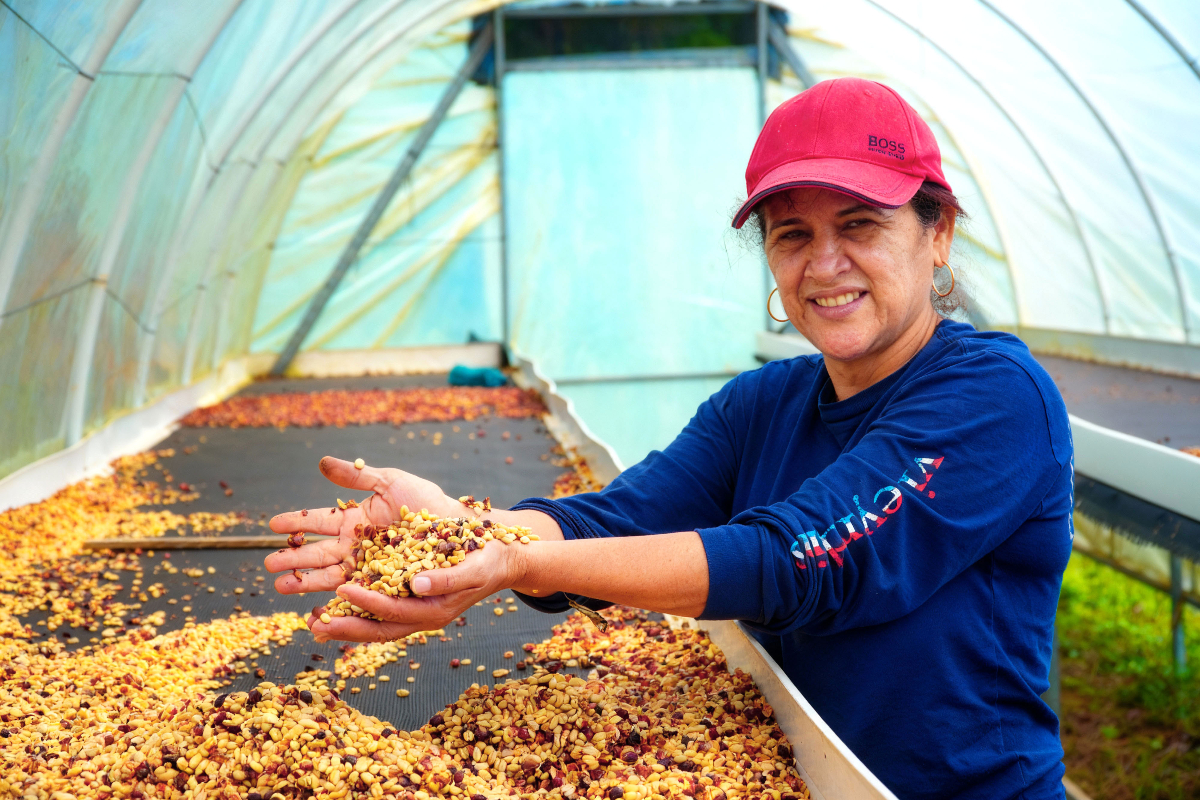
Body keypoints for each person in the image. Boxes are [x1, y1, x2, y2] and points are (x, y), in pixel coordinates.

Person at [265, 77, 1072, 800]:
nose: (824, 264)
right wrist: (455, 532)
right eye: (791, 235)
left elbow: (796, 562)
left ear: (938, 235)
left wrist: (516, 560)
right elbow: (613, 520)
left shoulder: (995, 397)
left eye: (860, 224)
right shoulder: (761, 405)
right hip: (798, 773)